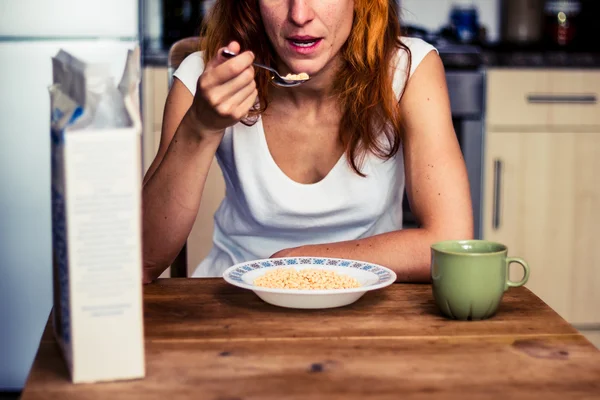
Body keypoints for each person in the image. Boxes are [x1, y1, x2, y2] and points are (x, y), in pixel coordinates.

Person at [141, 0, 473, 284]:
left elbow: (450, 241)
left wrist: (302, 263)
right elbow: (143, 260)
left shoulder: (408, 69)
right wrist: (200, 126)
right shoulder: (205, 76)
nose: (299, 15)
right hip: (233, 302)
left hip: (368, 303)